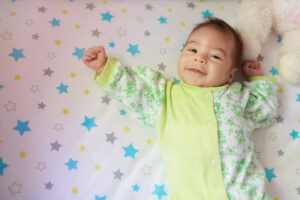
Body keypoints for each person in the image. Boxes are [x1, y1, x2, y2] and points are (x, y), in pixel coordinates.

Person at [82, 17, 278, 200]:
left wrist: (258, 79)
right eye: (192, 50)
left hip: (245, 193)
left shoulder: (237, 96)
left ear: (230, 75)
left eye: (215, 56)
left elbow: (264, 109)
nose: (200, 58)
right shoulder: (166, 96)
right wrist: (105, 68)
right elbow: (134, 91)